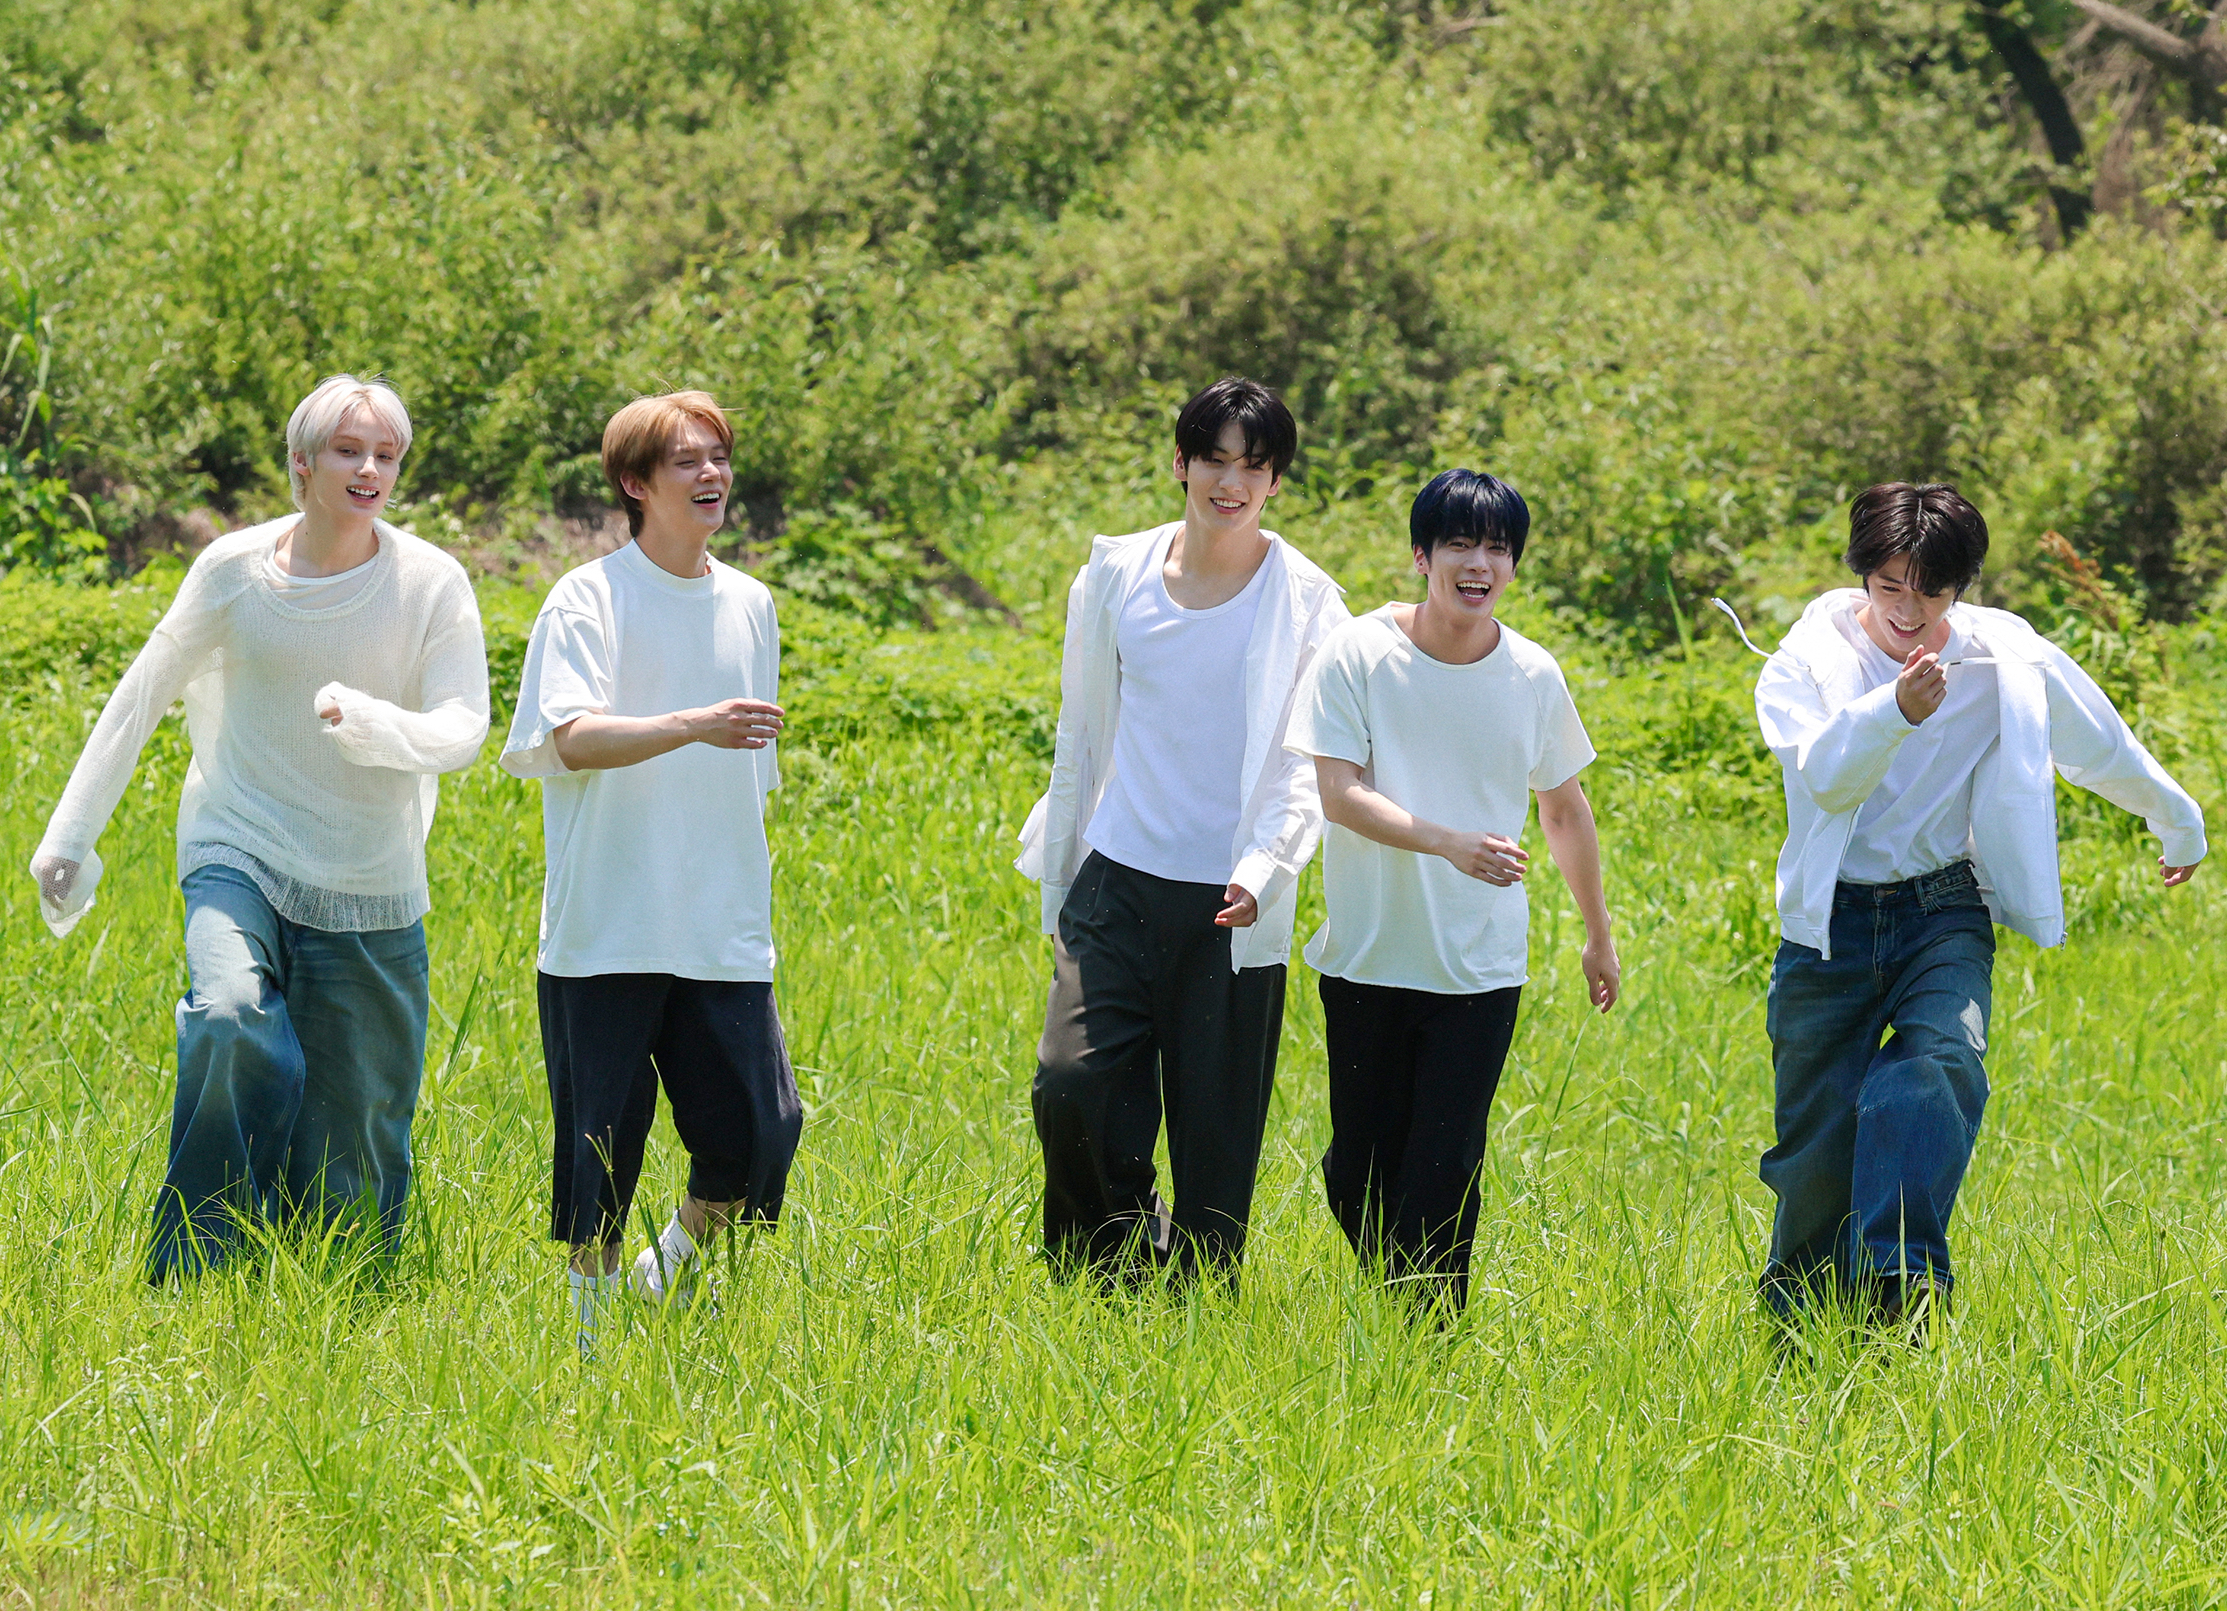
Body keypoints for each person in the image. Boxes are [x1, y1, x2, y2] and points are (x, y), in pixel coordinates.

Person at [28, 375, 489, 1282]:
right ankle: (201, 1260)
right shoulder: (234, 570)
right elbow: (143, 693)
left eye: (386, 455)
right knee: (233, 1018)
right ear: (302, 463)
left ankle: (332, 1283)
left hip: (368, 870)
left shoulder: (431, 582)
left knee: (357, 1138)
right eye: (349, 450)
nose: (369, 469)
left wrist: (376, 725)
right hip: (236, 842)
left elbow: (463, 726)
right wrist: (68, 834)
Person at [1753, 483, 2207, 1334]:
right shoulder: (1806, 661)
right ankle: (1797, 1320)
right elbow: (1822, 774)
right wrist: (1892, 711)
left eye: (1930, 590)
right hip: (1830, 925)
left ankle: (1900, 1288)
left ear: (1960, 586)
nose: (1908, 609)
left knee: (1936, 1065)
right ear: (1863, 578)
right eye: (1889, 586)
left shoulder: (2003, 657)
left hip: (1941, 907)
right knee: (1812, 1149)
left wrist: (2176, 820)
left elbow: (2096, 739)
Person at [1016, 376, 1349, 1288]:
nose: (1230, 483)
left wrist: (1266, 865)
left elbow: (1302, 762)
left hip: (1229, 901)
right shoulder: (1115, 575)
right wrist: (1060, 879)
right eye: (1214, 460)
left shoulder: (1310, 603)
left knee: (1214, 1125)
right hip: (1115, 874)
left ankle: (1197, 1293)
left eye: (1253, 465)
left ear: (1274, 480)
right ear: (1181, 463)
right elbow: (1077, 734)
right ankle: (1106, 1265)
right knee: (1070, 1083)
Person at [501, 390, 800, 1354]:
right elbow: (571, 737)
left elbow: (754, 777)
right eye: (686, 461)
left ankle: (660, 1274)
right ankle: (587, 1353)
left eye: (718, 456)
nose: (711, 475)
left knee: (761, 1133)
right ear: (636, 483)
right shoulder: (587, 598)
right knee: (601, 1151)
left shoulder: (751, 603)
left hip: (719, 926)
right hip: (609, 924)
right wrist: (690, 725)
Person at [1285, 469, 1619, 1316]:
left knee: (1443, 1163)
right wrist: (1446, 842)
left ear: (1512, 566)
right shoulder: (1357, 653)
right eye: (1461, 545)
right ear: (1421, 555)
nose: (1479, 563)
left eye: (1498, 549)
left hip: (1478, 968)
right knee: (1356, 1167)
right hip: (1367, 955)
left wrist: (1596, 934)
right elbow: (1337, 792)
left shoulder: (1532, 675)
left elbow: (1565, 808)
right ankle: (1399, 1296)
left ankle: (1425, 1340)